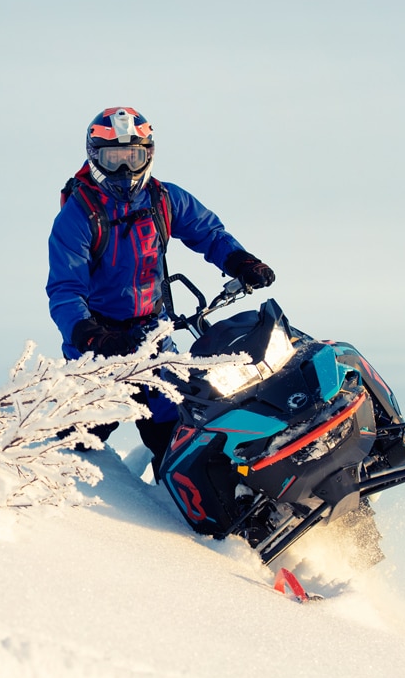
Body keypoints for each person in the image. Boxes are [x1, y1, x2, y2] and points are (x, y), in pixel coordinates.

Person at [45, 106, 276, 470]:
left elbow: (208, 233)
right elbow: (64, 290)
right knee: (77, 444)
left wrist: (240, 261)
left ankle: (181, 515)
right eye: (114, 158)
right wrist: (89, 335)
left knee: (176, 440)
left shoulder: (163, 199)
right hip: (97, 346)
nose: (125, 169)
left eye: (133, 157)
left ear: (148, 155)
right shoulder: (78, 215)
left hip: (154, 338)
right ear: (94, 157)